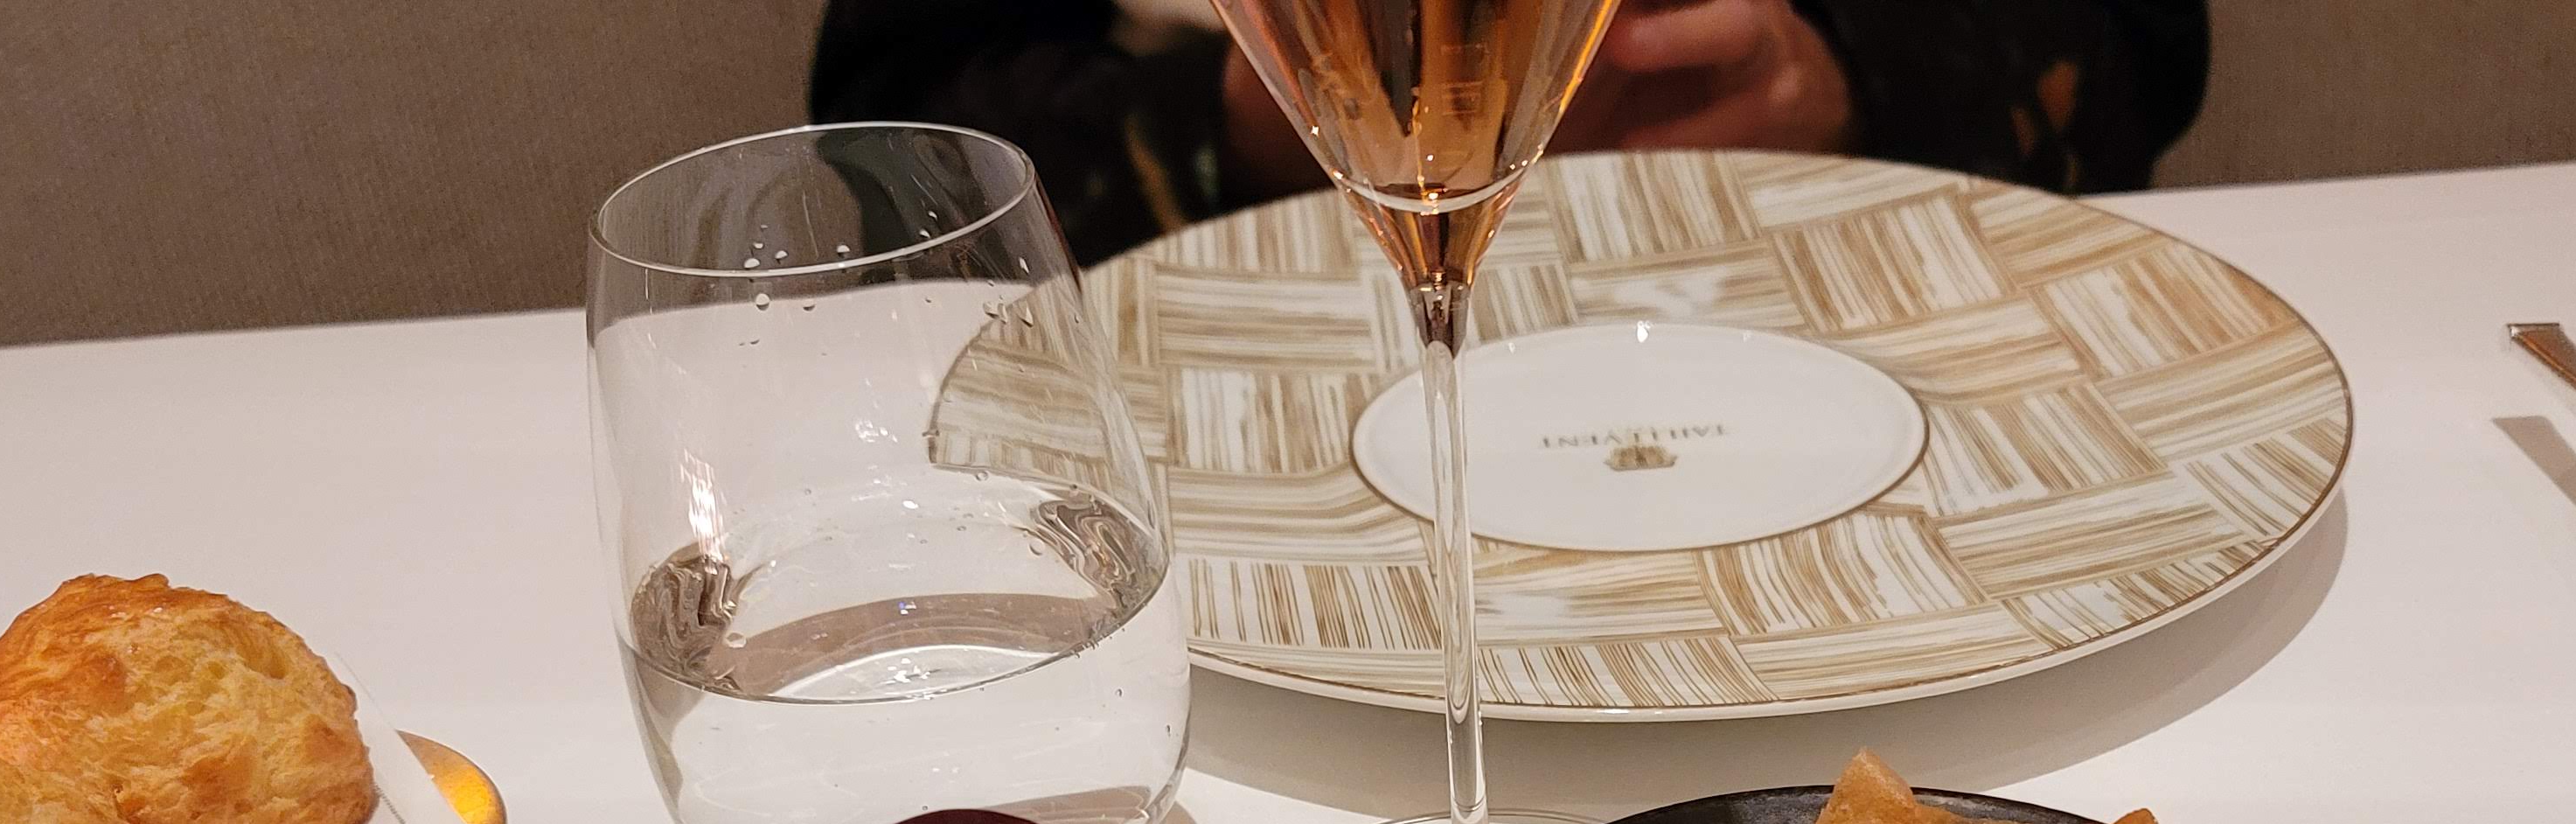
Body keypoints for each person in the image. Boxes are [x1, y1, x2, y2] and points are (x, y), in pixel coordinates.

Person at [810, 0, 2210, 266]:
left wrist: (1850, 77)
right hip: (1229, 332)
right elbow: (894, 135)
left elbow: (2144, 42)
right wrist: (1254, 120)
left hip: (1855, 268)